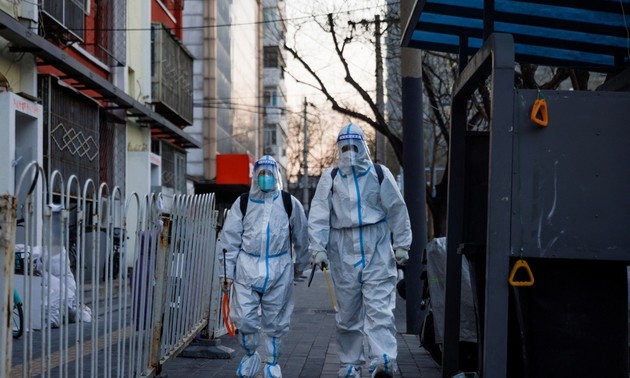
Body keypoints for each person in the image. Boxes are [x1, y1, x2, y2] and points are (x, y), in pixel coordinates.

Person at [308, 123, 412, 378]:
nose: (349, 152)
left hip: (376, 245)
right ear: (338, 149)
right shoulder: (330, 178)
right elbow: (319, 214)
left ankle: (383, 360)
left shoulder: (378, 173)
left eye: (354, 146)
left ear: (363, 147)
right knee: (347, 313)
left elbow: (397, 208)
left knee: (380, 309)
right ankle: (350, 364)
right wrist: (317, 249)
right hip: (342, 248)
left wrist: (401, 244)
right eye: (344, 147)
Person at [218, 155, 309, 378]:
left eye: (269, 173)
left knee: (276, 322)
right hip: (246, 269)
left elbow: (302, 236)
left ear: (276, 175)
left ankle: (271, 363)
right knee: (244, 319)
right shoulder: (243, 203)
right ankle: (250, 356)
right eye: (261, 174)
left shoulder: (289, 203)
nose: (265, 178)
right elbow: (229, 241)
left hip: (280, 269)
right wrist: (226, 274)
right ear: (255, 176)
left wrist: (301, 266)